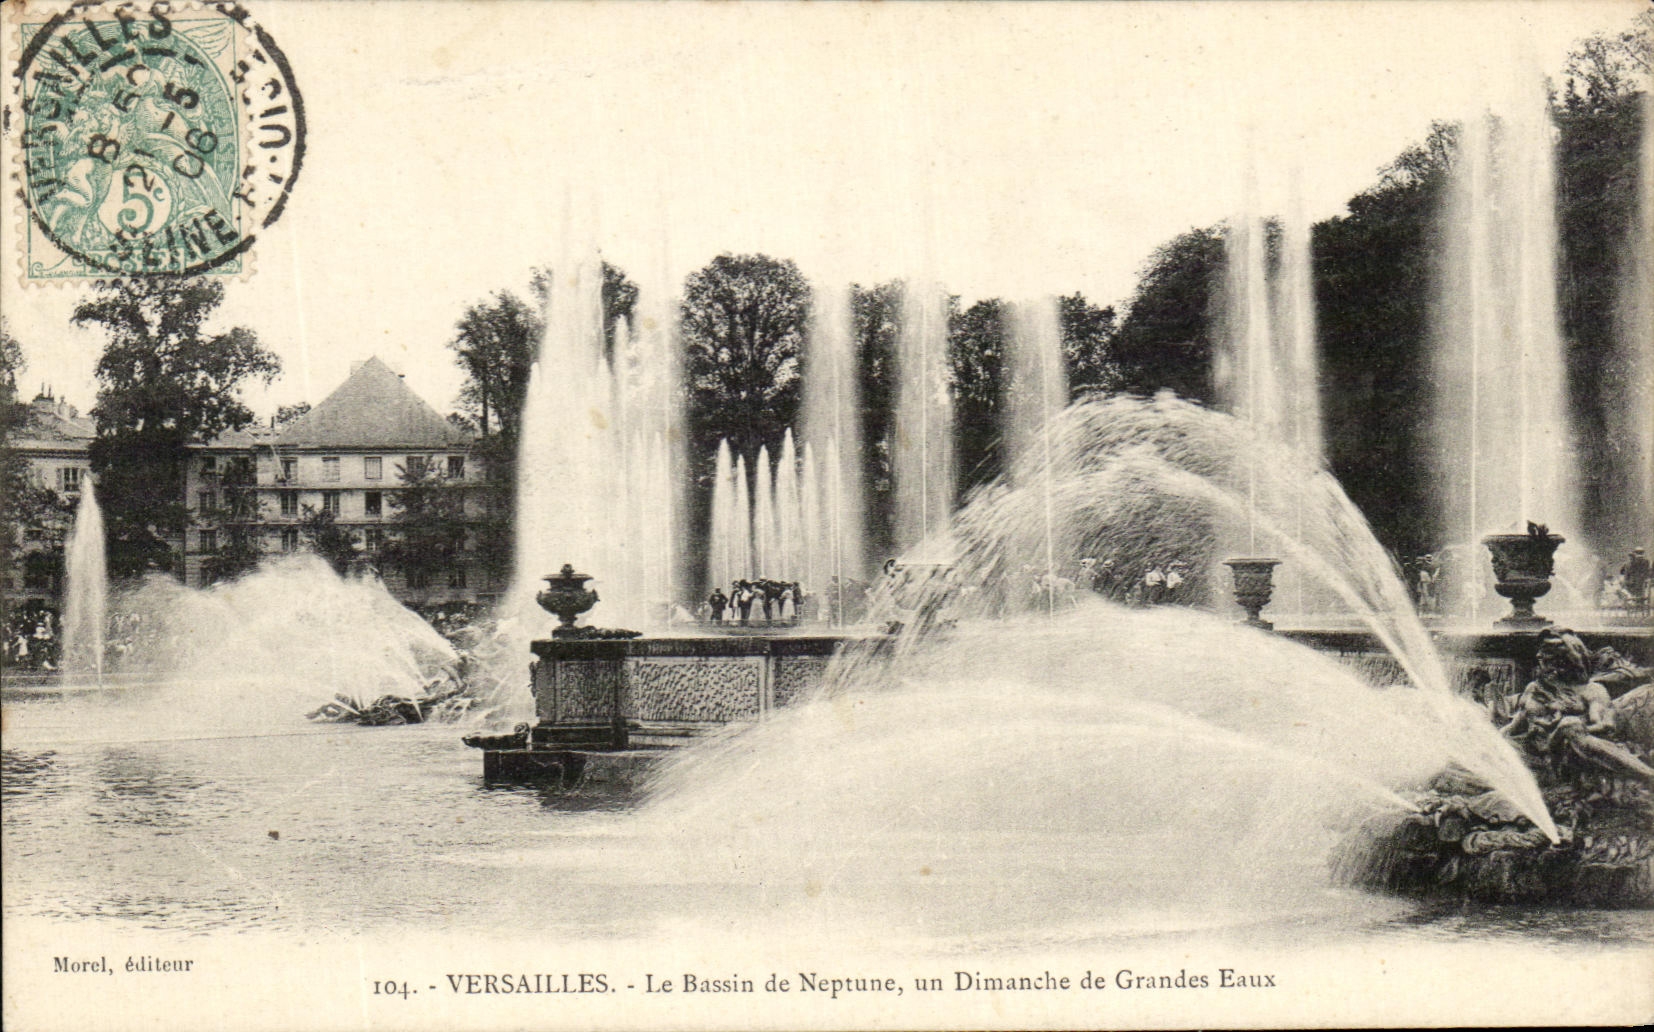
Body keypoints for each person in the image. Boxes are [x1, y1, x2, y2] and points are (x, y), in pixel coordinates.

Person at [1503, 629, 1654, 784]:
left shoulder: (1592, 690)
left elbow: (1604, 726)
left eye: (1547, 654)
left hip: (1567, 754)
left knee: (1569, 724)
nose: (1539, 657)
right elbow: (1515, 725)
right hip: (1533, 752)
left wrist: (1572, 726)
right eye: (1541, 653)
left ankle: (1648, 776)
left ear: (1568, 657)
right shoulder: (1534, 688)